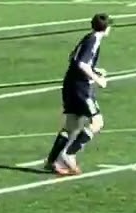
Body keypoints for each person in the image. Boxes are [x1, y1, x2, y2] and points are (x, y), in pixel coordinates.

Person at [44, 13, 111, 175]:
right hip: (81, 88)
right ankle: (69, 154)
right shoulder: (94, 40)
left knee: (71, 125)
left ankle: (52, 160)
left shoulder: (87, 38)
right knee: (97, 122)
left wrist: (95, 70)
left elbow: (73, 58)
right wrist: (97, 79)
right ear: (108, 28)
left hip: (70, 85)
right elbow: (81, 63)